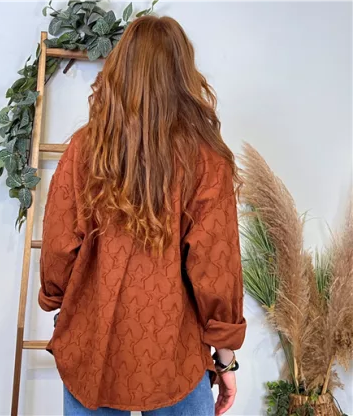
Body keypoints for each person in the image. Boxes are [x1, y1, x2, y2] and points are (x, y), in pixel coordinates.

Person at [39, 15, 247, 416]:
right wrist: (225, 360)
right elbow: (215, 267)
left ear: (120, 70)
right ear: (183, 75)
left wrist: (58, 301)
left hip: (92, 341)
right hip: (174, 352)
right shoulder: (205, 159)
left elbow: (58, 244)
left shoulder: (84, 149)